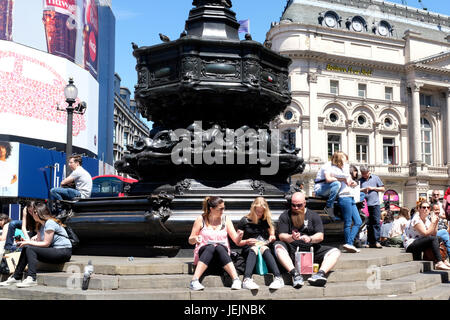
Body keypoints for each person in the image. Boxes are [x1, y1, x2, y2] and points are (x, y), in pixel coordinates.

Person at [273, 192, 341, 288]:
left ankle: (320, 274)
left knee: (335, 251)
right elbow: (281, 236)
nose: (296, 208)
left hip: (310, 247)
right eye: (293, 205)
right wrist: (291, 237)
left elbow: (320, 235)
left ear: (305, 203)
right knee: (278, 246)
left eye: (299, 205)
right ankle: (295, 274)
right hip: (291, 248)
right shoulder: (285, 215)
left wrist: (310, 238)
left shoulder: (314, 216)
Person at [0, 202, 72, 287]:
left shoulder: (50, 223)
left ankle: (32, 278)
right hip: (53, 251)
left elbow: (46, 243)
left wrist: (28, 242)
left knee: (29, 248)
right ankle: (16, 277)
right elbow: (38, 242)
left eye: (33, 212)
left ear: (37, 213)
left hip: (63, 251)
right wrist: (25, 241)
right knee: (27, 247)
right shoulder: (40, 225)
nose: (31, 215)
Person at [188, 196, 244, 291]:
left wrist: (239, 236)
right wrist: (195, 238)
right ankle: (194, 281)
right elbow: (190, 239)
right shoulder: (201, 219)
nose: (223, 211)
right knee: (210, 247)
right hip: (205, 259)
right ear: (211, 209)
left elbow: (236, 241)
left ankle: (236, 279)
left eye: (224, 208)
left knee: (219, 247)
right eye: (220, 209)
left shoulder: (225, 219)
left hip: (221, 260)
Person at [237, 197, 284, 290]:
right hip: (249, 248)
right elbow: (238, 243)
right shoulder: (244, 220)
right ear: (253, 209)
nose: (259, 214)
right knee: (254, 248)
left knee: (264, 248)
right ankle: (247, 279)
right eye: (257, 211)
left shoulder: (265, 220)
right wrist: (246, 241)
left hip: (263, 246)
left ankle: (278, 278)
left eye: (262, 212)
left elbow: (272, 233)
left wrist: (272, 236)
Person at [402, 199, 450, 270]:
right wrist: (433, 223)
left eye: (428, 207)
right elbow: (425, 233)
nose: (426, 209)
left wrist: (436, 222)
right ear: (419, 209)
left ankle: (444, 260)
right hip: (411, 245)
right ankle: (439, 262)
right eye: (424, 207)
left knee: (439, 237)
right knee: (433, 238)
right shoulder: (416, 219)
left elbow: (434, 233)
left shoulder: (426, 220)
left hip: (419, 243)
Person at [332, 155, 362, 253]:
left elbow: (352, 183)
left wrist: (354, 183)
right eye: (345, 158)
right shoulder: (337, 170)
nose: (347, 161)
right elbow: (335, 176)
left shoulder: (345, 172)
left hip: (351, 198)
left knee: (358, 221)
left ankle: (349, 243)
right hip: (344, 197)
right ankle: (349, 243)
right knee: (348, 222)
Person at [314, 151, 350, 220]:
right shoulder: (328, 166)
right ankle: (329, 206)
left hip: (327, 187)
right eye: (344, 161)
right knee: (337, 184)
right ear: (339, 159)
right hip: (320, 189)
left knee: (338, 184)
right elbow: (328, 179)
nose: (344, 163)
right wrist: (342, 179)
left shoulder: (336, 166)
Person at [359, 166, 385, 248]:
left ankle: (376, 241)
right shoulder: (360, 181)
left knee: (376, 222)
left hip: (375, 204)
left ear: (368, 172)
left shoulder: (375, 178)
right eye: (362, 174)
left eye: (365, 174)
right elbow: (356, 190)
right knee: (368, 224)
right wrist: (363, 189)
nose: (364, 175)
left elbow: (383, 188)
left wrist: (373, 188)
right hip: (364, 205)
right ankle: (370, 242)